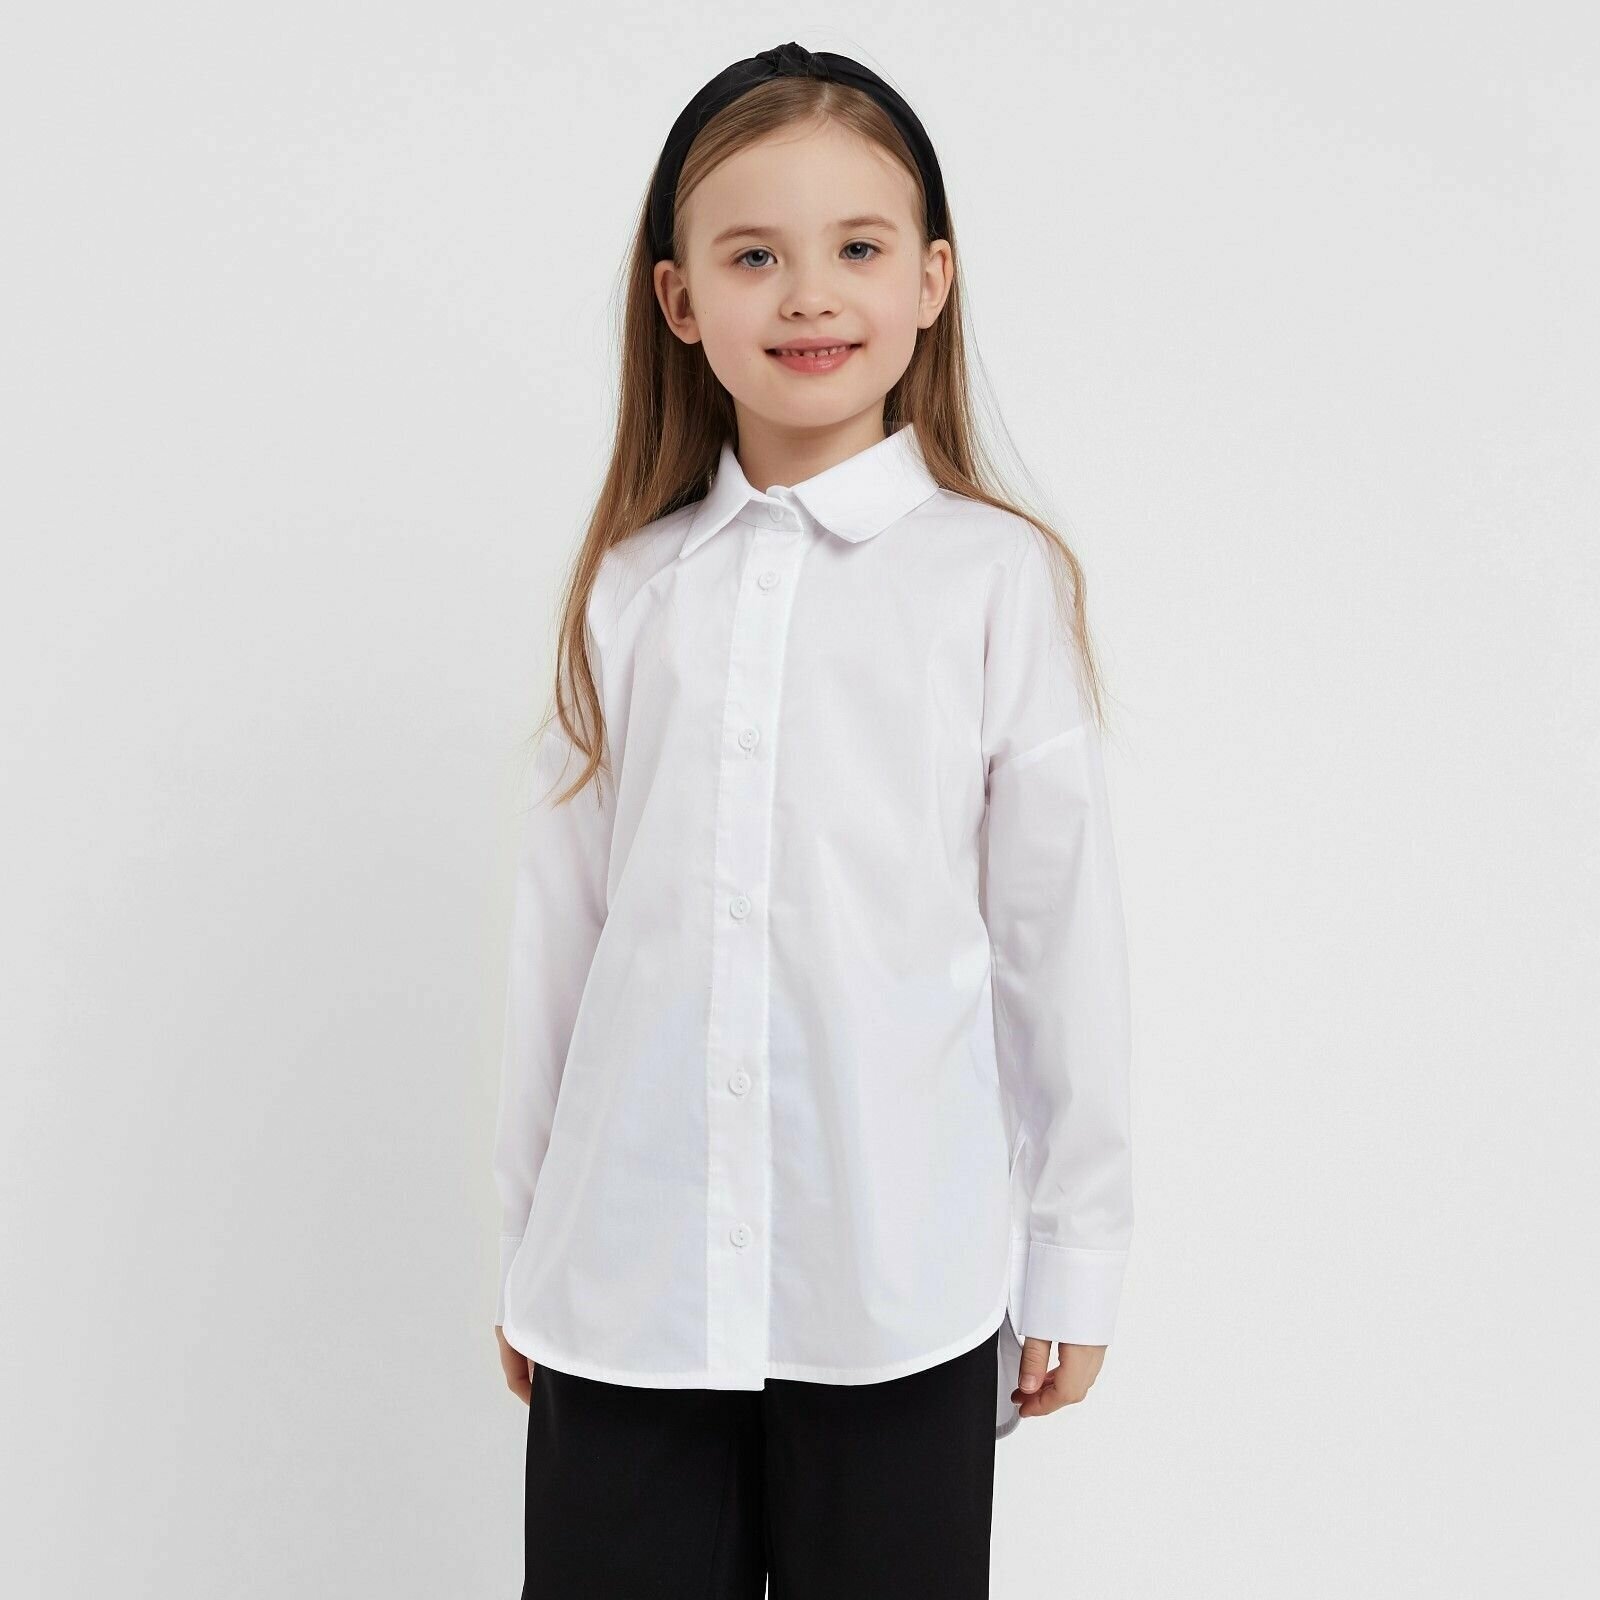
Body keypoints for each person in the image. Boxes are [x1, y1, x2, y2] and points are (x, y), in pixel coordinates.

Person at [490, 39, 1134, 1599]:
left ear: (930, 281)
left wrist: (1076, 1249)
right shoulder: (632, 593)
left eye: (855, 248)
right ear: (678, 299)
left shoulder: (994, 582)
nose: (807, 296)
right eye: (753, 256)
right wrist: (528, 1251)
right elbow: (561, 946)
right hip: (629, 1289)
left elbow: (1057, 937)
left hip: (893, 1286)